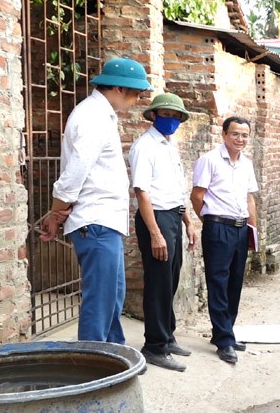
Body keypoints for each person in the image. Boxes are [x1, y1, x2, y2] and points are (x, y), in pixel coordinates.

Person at [40, 57, 152, 344]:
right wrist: (54, 215)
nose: (137, 101)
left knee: (113, 299)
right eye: (135, 94)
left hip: (103, 222)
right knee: (100, 305)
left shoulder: (100, 116)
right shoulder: (92, 117)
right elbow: (74, 174)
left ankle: (114, 357)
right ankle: (91, 371)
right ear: (117, 87)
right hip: (96, 222)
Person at [130, 93, 197, 372]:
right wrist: (155, 233)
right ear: (154, 115)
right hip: (154, 218)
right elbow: (142, 191)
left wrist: (188, 221)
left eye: (175, 116)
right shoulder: (145, 146)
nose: (170, 120)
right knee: (158, 283)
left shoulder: (168, 146)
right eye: (165, 114)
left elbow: (175, 190)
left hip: (172, 216)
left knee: (170, 280)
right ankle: (154, 346)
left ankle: (167, 337)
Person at [191, 116, 258, 364]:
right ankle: (223, 340)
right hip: (218, 227)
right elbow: (197, 196)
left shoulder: (246, 165)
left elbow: (250, 198)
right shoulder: (208, 161)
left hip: (241, 229)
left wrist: (253, 229)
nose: (240, 139)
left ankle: (226, 329)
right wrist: (209, 220)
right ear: (224, 134)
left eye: (244, 135)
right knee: (218, 282)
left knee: (235, 282)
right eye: (235, 134)